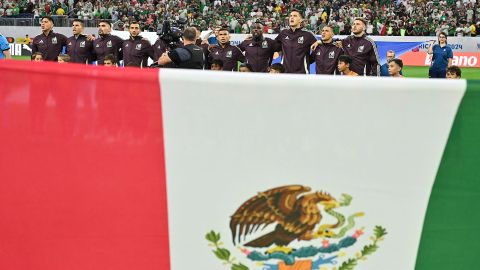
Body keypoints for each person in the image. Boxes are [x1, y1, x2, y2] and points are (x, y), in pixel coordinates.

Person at [314, 17, 380, 76]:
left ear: (364, 28)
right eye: (353, 24)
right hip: (348, 77)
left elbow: (376, 64)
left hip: (362, 78)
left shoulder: (369, 43)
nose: (354, 26)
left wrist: (375, 80)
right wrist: (319, 41)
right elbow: (333, 42)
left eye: (357, 24)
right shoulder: (347, 40)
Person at [275, 10, 317, 74]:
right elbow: (274, 46)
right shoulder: (283, 33)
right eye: (291, 16)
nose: (291, 17)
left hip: (302, 74)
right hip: (285, 73)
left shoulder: (308, 35)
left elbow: (318, 50)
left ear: (300, 20)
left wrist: (308, 61)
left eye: (295, 16)